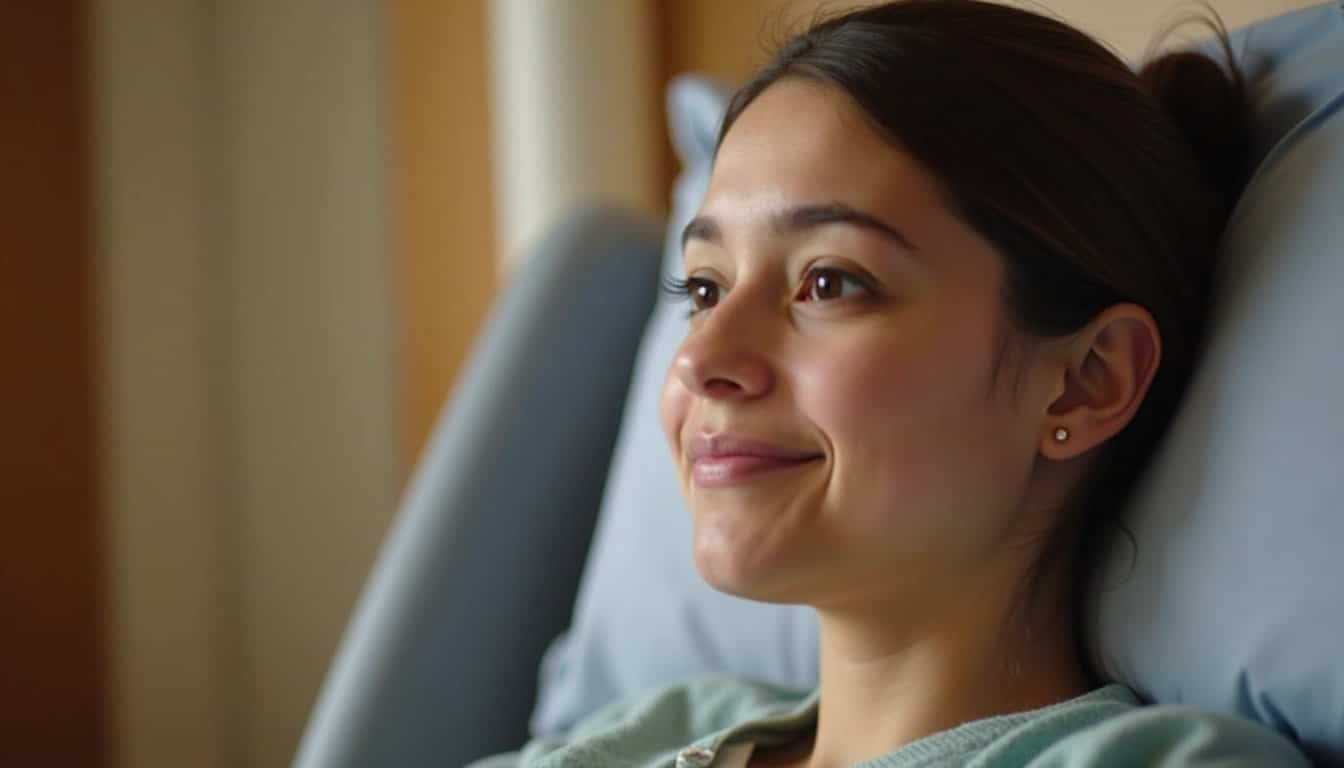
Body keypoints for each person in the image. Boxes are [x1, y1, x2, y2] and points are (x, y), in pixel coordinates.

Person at [472, 1, 1312, 765]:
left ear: (1084, 382)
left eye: (830, 282)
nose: (700, 358)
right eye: (703, 288)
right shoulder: (639, 735)